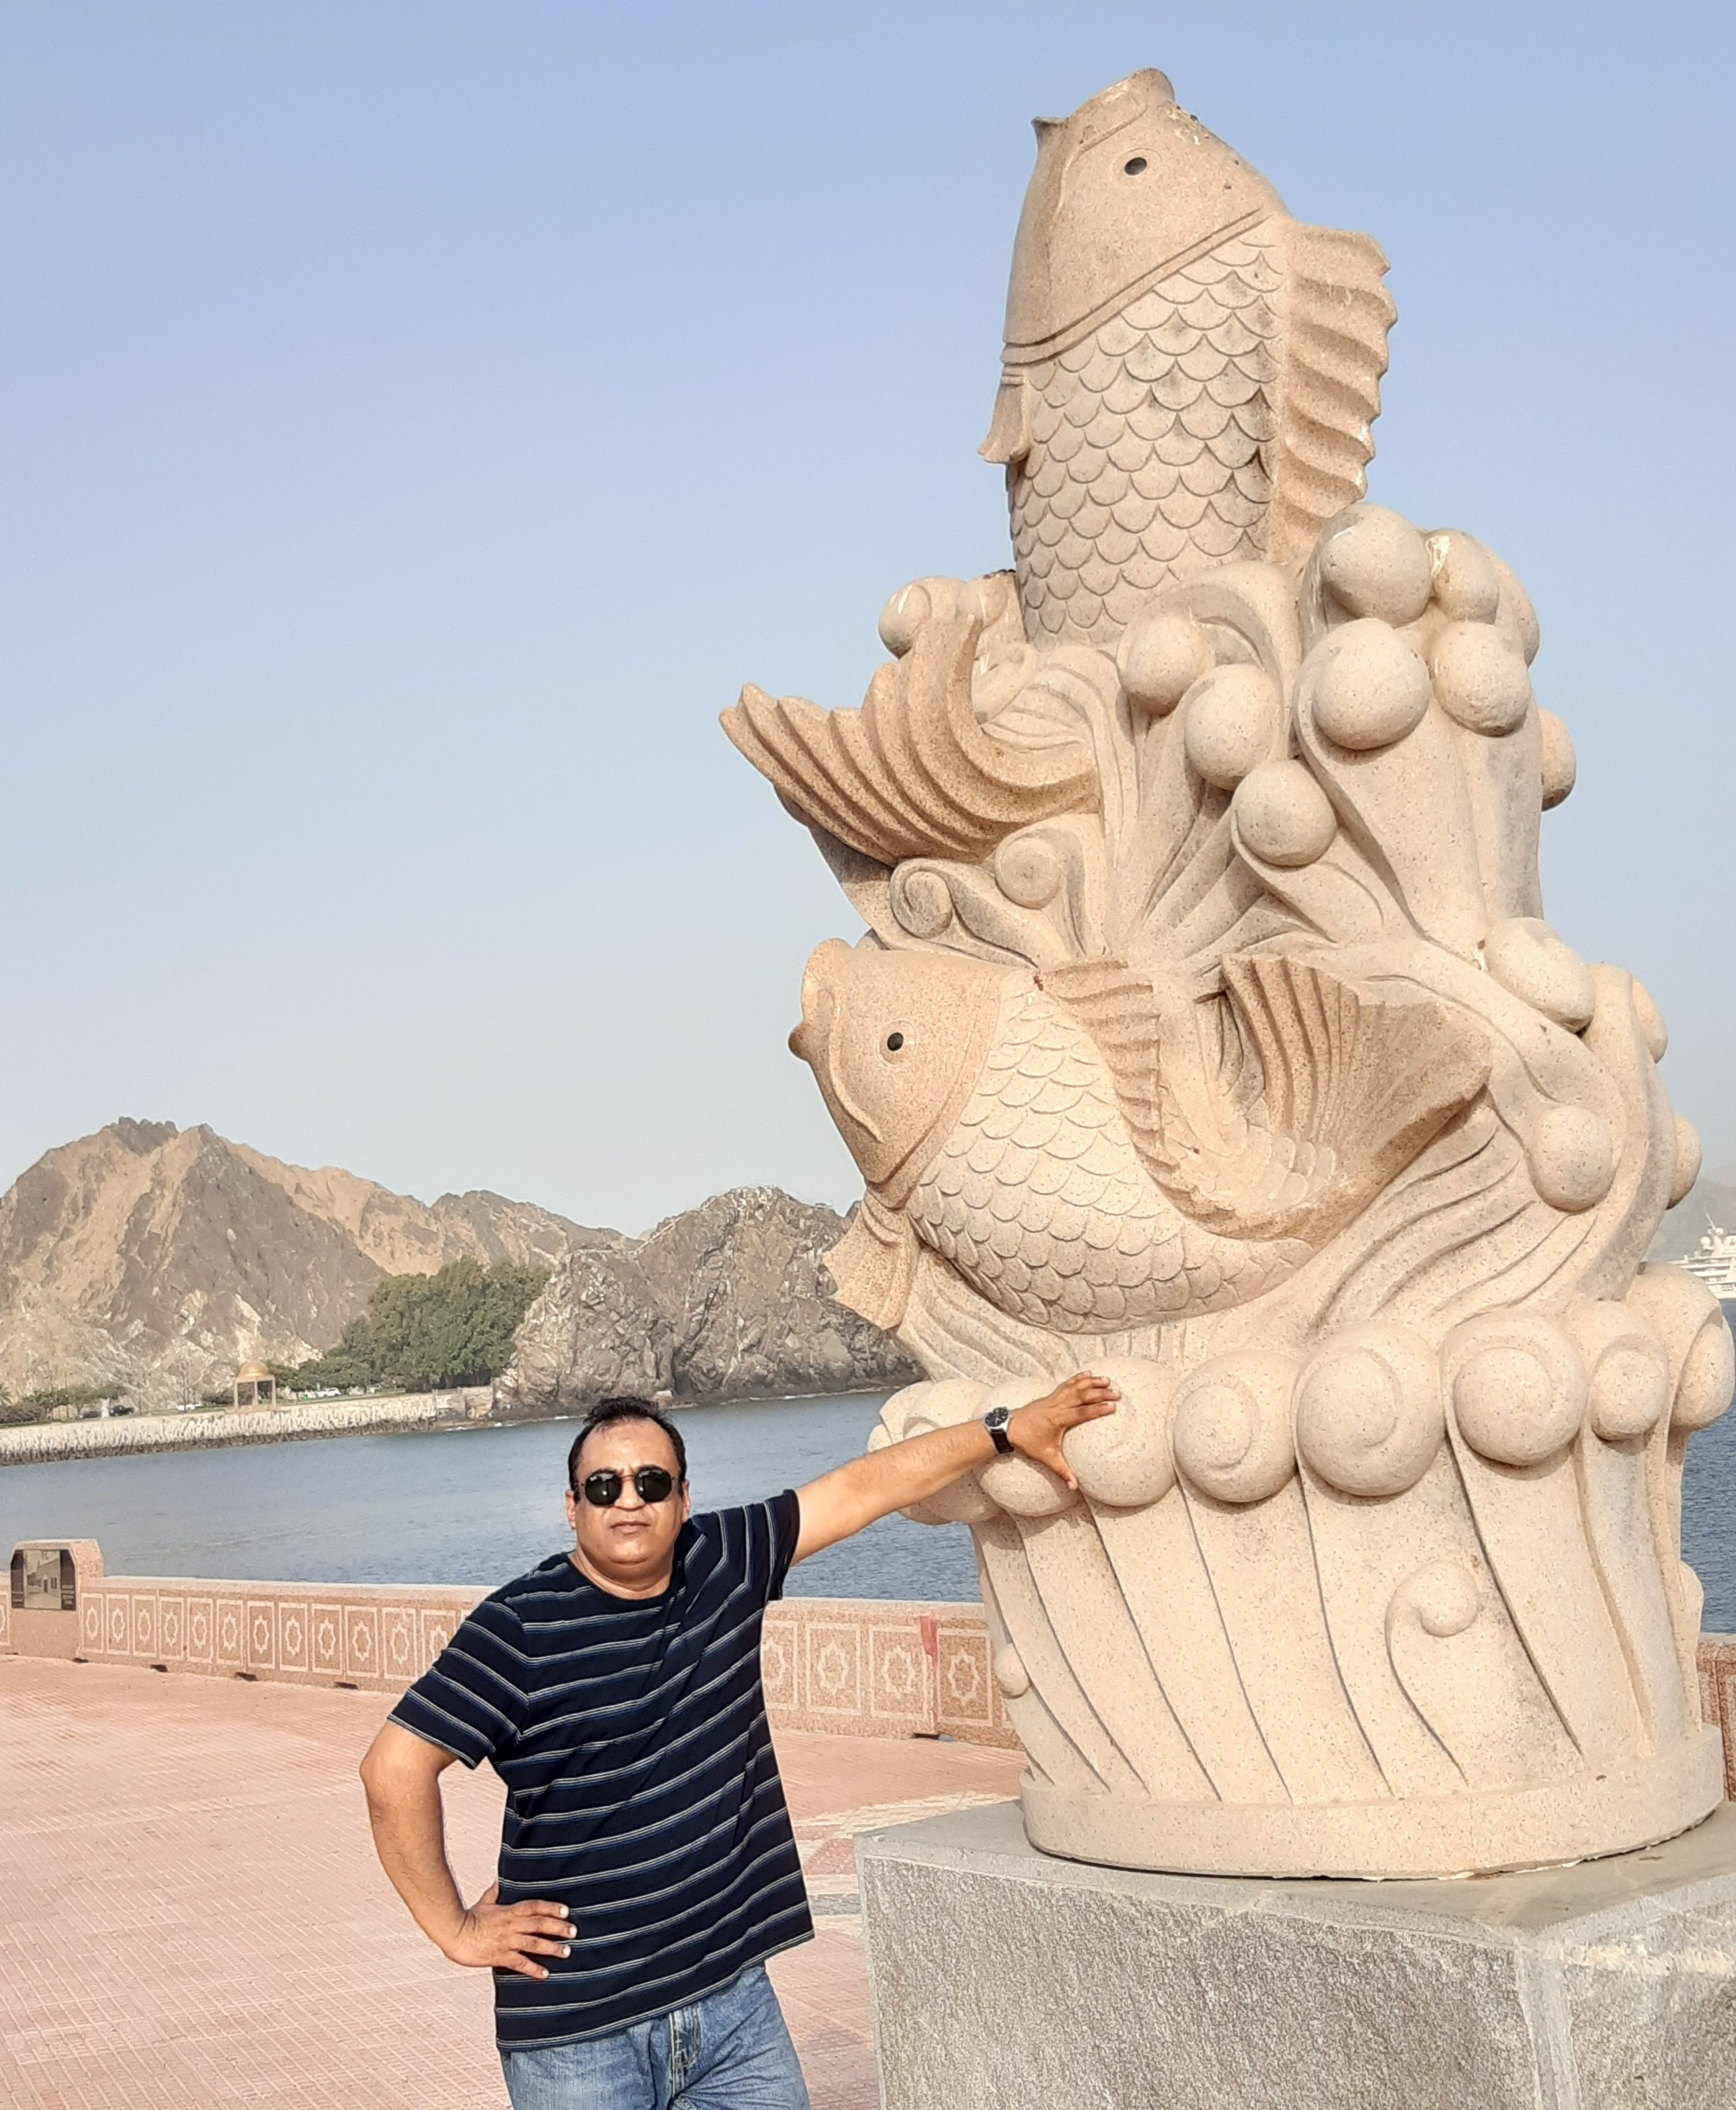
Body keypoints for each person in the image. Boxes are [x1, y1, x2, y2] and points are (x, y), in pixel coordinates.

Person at [359, 1373, 1117, 2109]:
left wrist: (1002, 1429)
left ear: (683, 1497)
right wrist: (455, 1928)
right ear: (571, 1506)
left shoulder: (721, 1560)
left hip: (732, 2004)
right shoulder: (517, 1628)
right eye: (604, 1485)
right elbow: (393, 1769)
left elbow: (862, 1490)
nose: (630, 1500)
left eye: (652, 1483)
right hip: (579, 2032)